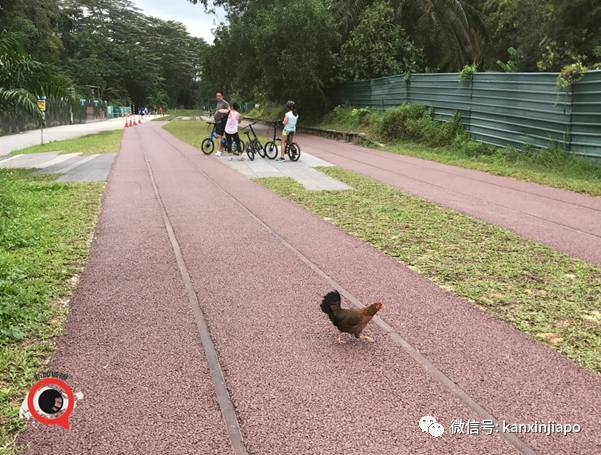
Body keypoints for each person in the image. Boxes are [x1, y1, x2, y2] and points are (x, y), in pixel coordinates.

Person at [213, 91, 230, 157]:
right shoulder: (218, 103)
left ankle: (219, 151)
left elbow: (229, 110)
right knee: (219, 136)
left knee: (219, 136)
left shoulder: (224, 102)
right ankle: (221, 149)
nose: (218, 97)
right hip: (217, 122)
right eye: (217, 96)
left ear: (222, 96)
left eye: (219, 96)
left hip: (221, 121)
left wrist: (222, 111)